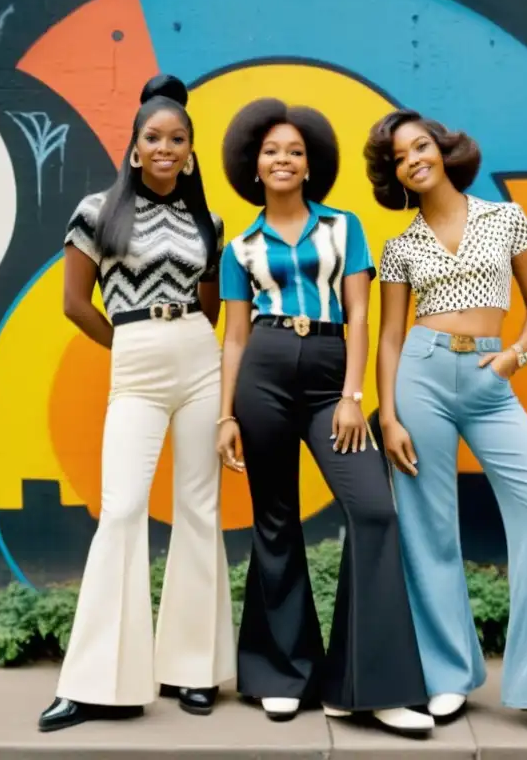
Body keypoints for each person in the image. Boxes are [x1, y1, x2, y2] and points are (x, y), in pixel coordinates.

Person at [363, 109, 527, 743]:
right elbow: (388, 337)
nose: (413, 159)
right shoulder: (399, 247)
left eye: (421, 146)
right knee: (429, 528)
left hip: (492, 383)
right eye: (399, 157)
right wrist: (387, 415)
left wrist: (515, 356)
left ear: (442, 151)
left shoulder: (505, 217)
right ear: (394, 175)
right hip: (421, 375)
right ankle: (447, 675)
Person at [215, 98, 433, 737]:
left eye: (296, 151)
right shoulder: (241, 245)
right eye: (271, 151)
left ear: (312, 165)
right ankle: (283, 675)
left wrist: (350, 395)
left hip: (329, 375)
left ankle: (368, 686)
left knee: (373, 510)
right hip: (264, 367)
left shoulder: (345, 227)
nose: (283, 160)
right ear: (254, 165)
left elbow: (361, 315)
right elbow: (232, 338)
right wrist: (226, 413)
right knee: (275, 520)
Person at [37, 74, 235, 732]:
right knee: (121, 510)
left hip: (198, 354)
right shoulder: (98, 211)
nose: (165, 147)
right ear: (134, 146)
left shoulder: (209, 219)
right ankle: (95, 681)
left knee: (198, 508)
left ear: (190, 150)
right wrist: (125, 345)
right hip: (137, 354)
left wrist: (188, 340)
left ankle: (193, 669)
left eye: (177, 139)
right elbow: (74, 303)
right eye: (154, 137)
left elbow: (211, 303)